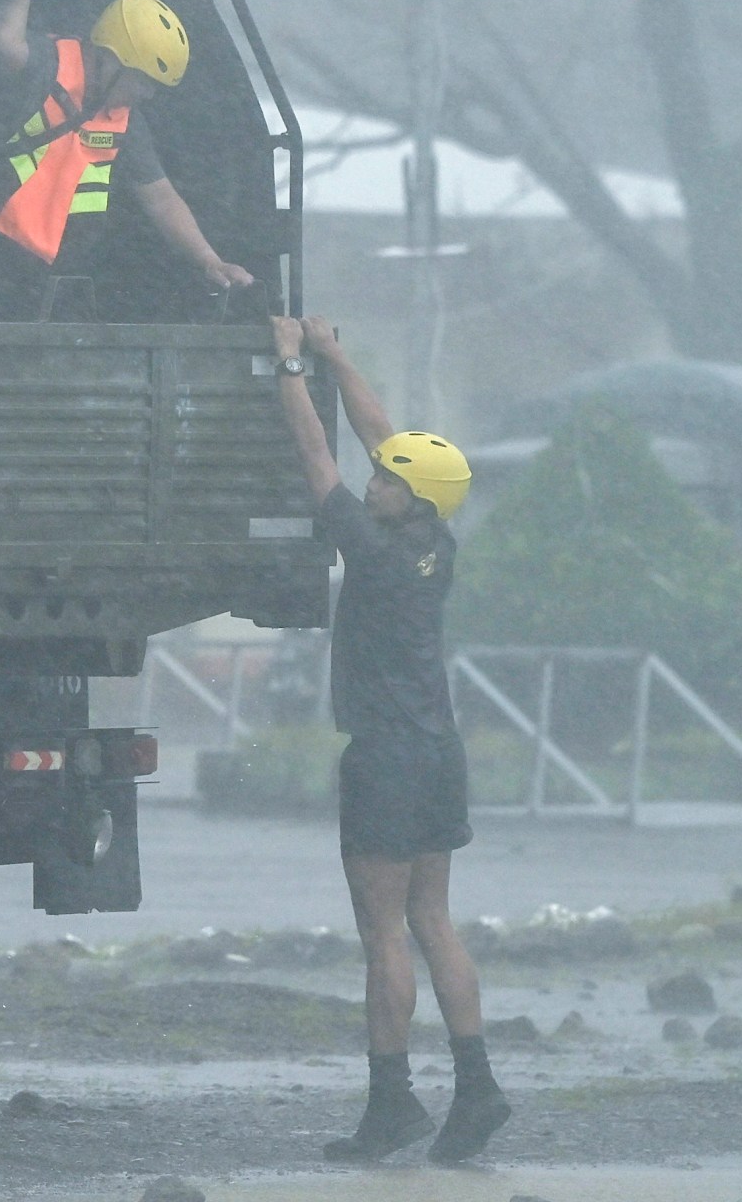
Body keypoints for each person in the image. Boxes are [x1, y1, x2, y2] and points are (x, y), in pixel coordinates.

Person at [267, 314, 510, 1165]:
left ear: (411, 498)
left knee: (384, 937)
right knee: (434, 920)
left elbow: (316, 460)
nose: (375, 484)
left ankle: (391, 1102)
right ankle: (477, 1089)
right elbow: (387, 444)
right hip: (439, 753)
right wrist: (338, 351)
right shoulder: (435, 541)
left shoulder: (370, 549)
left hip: (386, 756)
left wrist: (291, 362)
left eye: (388, 483)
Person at [0, 0, 254, 321]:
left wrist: (210, 261)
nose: (147, 94)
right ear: (108, 58)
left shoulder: (125, 118)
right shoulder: (47, 66)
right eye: (142, 80)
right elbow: (4, 42)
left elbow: (161, 198)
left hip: (37, 273)